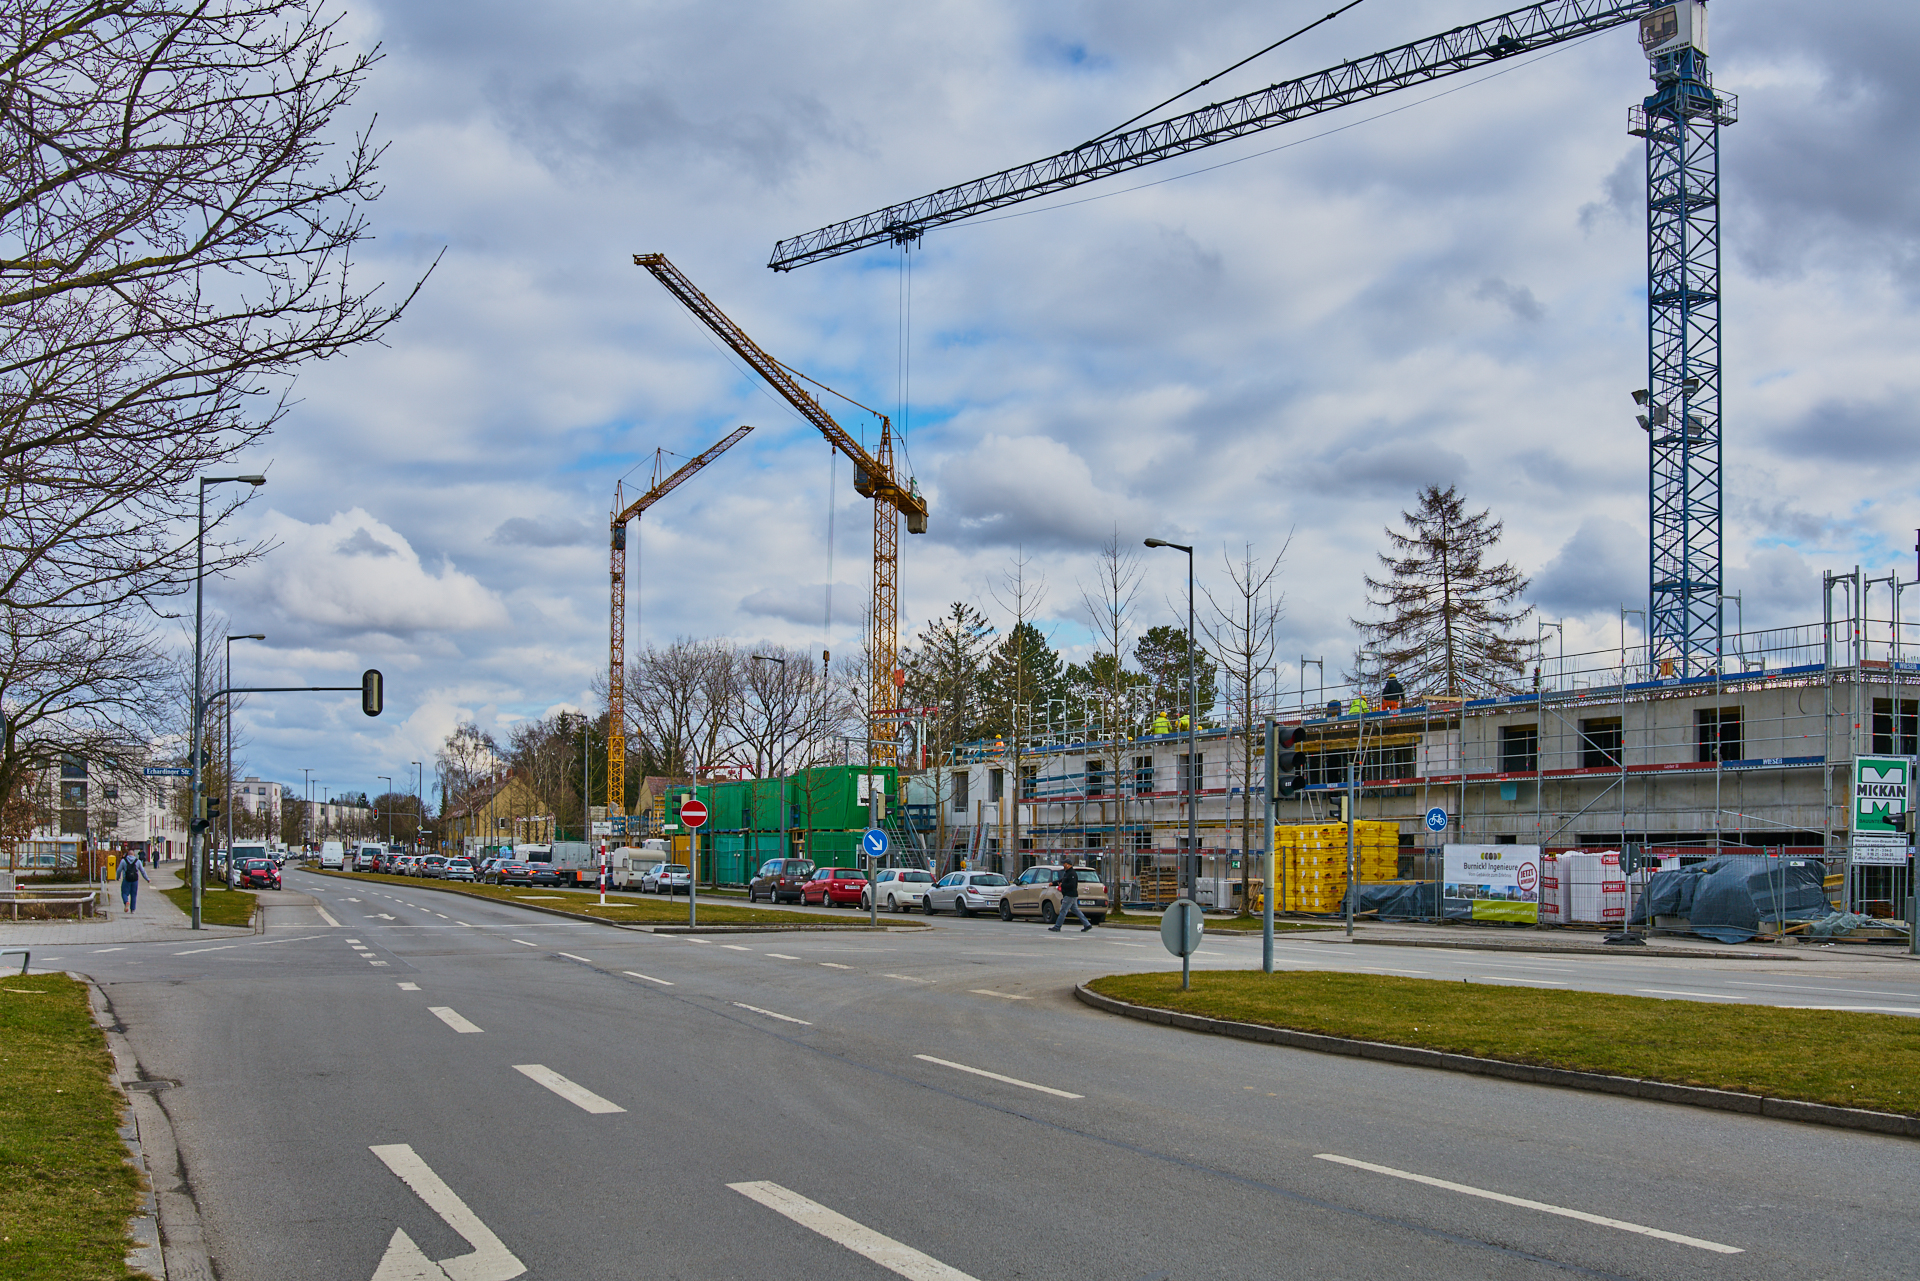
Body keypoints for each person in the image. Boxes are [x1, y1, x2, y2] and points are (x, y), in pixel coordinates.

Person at [1048, 856, 1094, 932]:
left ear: (1068, 864)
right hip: (1070, 895)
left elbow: (1071, 885)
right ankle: (1087, 924)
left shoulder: (1072, 874)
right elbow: (1061, 881)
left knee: (1063, 910)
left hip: (1070, 895)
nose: (1063, 865)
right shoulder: (1067, 873)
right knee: (1075, 910)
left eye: (1064, 864)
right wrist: (1053, 883)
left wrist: (1062, 885)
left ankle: (1057, 926)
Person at [119, 849, 151, 914]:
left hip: (126, 879)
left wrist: (117, 877)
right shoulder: (138, 861)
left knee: (124, 893)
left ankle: (126, 902)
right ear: (134, 855)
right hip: (135, 880)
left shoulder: (123, 861)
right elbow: (142, 871)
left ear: (127, 855)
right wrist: (147, 879)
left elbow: (119, 870)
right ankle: (133, 909)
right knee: (133, 895)